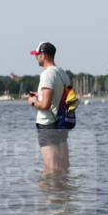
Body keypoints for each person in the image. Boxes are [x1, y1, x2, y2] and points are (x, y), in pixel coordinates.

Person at [27, 41, 71, 174]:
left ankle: (49, 194)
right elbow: (66, 99)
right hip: (62, 123)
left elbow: (45, 105)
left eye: (37, 54)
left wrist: (32, 101)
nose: (36, 57)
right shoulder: (63, 73)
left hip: (47, 125)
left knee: (51, 170)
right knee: (62, 168)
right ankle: (63, 193)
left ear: (44, 55)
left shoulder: (47, 74)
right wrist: (40, 95)